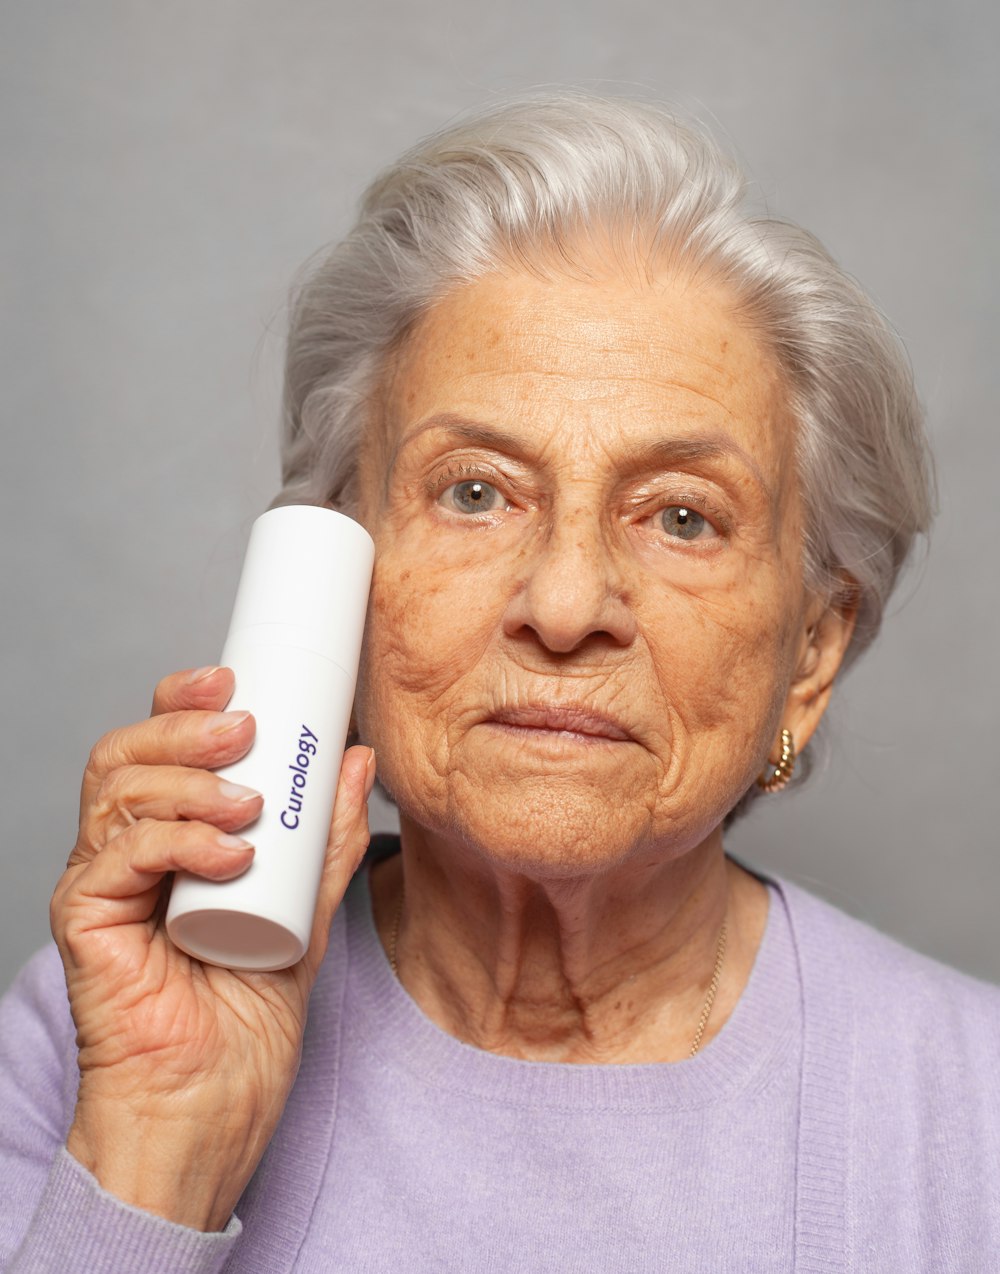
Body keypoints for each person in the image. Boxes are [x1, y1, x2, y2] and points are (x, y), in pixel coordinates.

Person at [1, 92, 997, 1273]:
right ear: (338, 585)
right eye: (474, 491)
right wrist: (163, 1154)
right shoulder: (90, 1040)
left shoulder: (971, 1112)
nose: (566, 606)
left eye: (682, 516)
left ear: (811, 652)